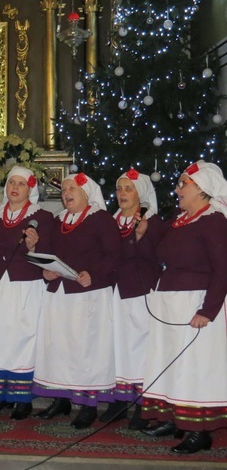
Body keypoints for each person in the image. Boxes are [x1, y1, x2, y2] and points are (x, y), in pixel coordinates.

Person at [141, 161, 227, 454]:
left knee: (194, 367)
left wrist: (208, 310)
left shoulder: (214, 220)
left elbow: (222, 268)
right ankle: (174, 419)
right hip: (170, 303)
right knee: (172, 363)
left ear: (201, 190)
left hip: (196, 303)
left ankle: (199, 430)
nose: (177, 189)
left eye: (183, 184)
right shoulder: (178, 221)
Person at [33, 173, 121, 429]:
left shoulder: (101, 219)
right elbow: (46, 253)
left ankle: (88, 405)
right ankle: (61, 399)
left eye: (72, 188)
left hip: (88, 295)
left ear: (87, 193)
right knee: (59, 348)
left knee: (86, 351)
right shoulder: (58, 220)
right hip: (60, 295)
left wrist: (94, 274)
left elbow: (115, 254)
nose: (66, 193)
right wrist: (46, 271)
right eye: (64, 189)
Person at [0, 167, 54, 420]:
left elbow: (50, 252)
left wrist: (35, 245)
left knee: (22, 338)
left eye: (21, 184)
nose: (14, 187)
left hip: (25, 283)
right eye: (11, 182)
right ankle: (0, 396)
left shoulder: (42, 216)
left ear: (30, 189)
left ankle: (22, 399)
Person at [105, 169, 162, 429]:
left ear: (141, 193)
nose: (123, 194)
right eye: (120, 189)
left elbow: (156, 259)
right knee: (117, 345)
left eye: (129, 189)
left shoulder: (153, 221)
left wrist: (139, 237)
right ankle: (119, 399)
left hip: (141, 292)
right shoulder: (110, 221)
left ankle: (142, 403)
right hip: (115, 291)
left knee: (140, 348)